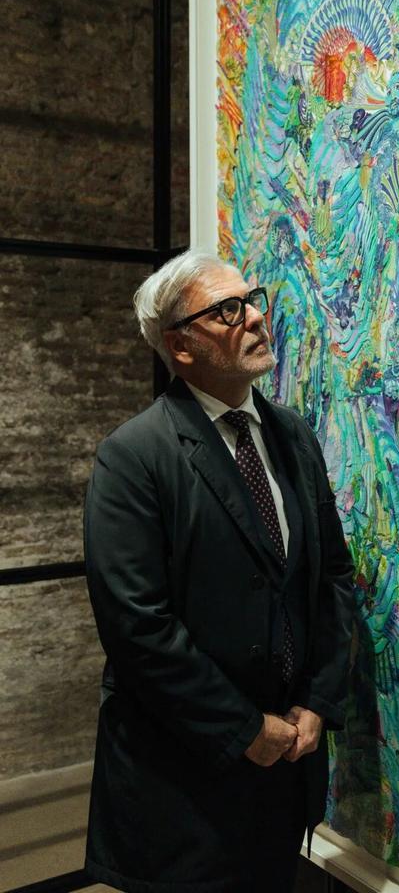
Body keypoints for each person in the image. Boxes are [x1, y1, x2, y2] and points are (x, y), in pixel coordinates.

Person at [83, 249, 354, 893]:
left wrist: (317, 702)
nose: (256, 317)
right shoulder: (133, 457)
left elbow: (331, 579)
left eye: (253, 300)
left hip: (284, 770)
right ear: (181, 346)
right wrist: (242, 728)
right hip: (183, 784)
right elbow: (138, 628)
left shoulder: (291, 435)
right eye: (228, 310)